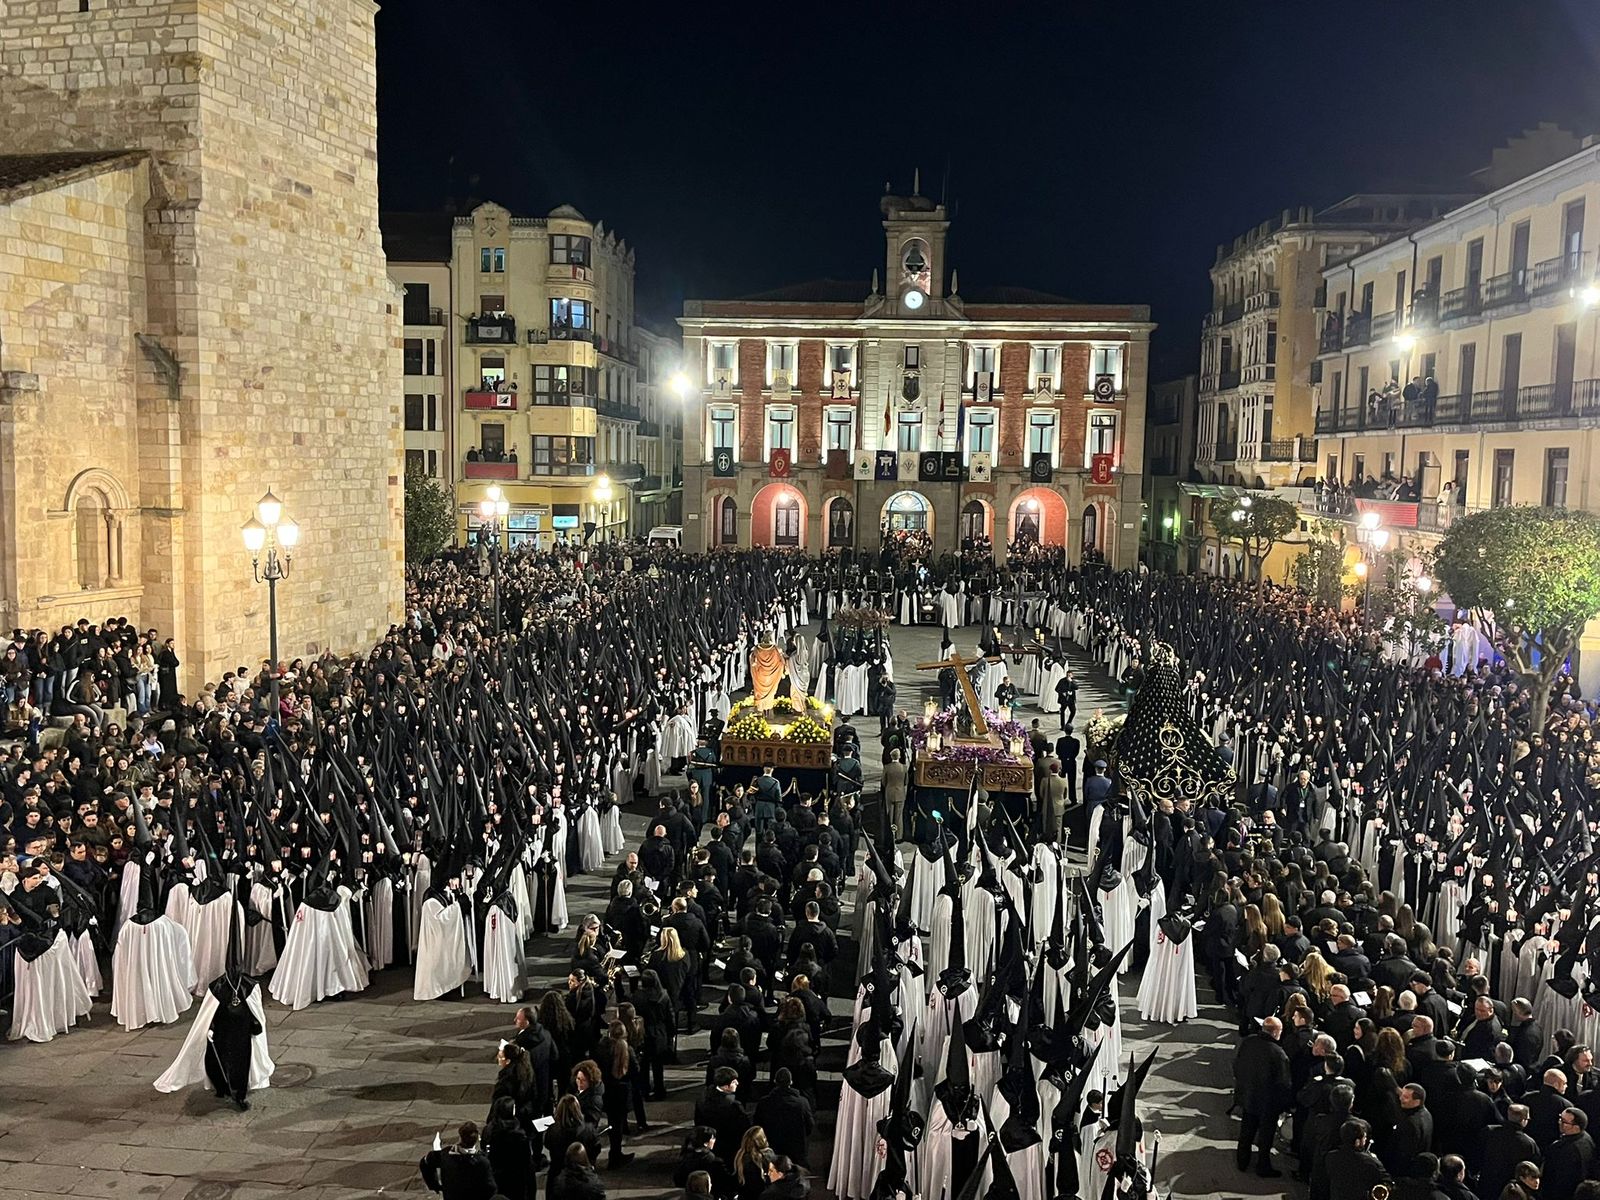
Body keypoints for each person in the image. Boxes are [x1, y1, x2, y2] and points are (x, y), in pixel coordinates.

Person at [1234, 1014, 1292, 1177]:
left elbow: (1237, 1065)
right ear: (1275, 1032)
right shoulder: (1278, 1054)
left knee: (1246, 1130)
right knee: (1265, 1137)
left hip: (1248, 1095)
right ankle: (1262, 1166)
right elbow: (1283, 1083)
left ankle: (1242, 1160)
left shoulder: (1249, 1042)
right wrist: (1284, 1104)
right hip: (1268, 1103)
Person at [419, 1121, 498, 1200]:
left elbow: (425, 1163)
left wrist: (435, 1185)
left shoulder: (445, 1155)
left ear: (460, 1138)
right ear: (477, 1140)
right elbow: (491, 1188)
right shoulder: (482, 1162)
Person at [753, 1067, 814, 1167]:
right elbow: (809, 1125)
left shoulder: (764, 1102)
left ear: (775, 1081)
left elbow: (757, 1124)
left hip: (772, 1146)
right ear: (791, 1082)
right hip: (795, 1148)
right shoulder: (802, 1102)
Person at [482, 1096, 537, 1200]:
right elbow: (527, 1165)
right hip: (516, 1181)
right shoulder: (519, 1137)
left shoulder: (489, 1130)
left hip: (497, 1178)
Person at [695, 1067, 749, 1165]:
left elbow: (698, 1123)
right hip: (729, 1149)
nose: (737, 1083)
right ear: (725, 1086)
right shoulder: (734, 1106)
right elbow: (743, 1129)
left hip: (709, 1147)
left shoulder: (702, 1100)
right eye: (733, 1082)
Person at [1543, 1108, 1595, 1200]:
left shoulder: (1563, 1150)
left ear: (1576, 1127)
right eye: (1560, 1118)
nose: (1559, 1122)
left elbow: (1556, 1179)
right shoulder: (1587, 1137)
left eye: (1564, 1122)